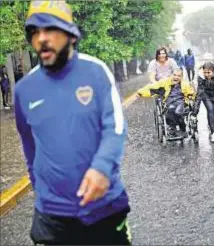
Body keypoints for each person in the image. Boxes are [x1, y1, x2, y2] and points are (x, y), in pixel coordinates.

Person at [14, 1, 131, 245]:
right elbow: (29, 146)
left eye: (50, 30)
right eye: (34, 32)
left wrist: (101, 167)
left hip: (105, 207)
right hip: (52, 217)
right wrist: (41, 190)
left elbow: (116, 126)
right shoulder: (24, 90)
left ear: (71, 35)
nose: (41, 39)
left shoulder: (96, 72)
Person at [137, 68, 195, 137]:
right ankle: (172, 129)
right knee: (170, 109)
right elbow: (152, 87)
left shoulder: (185, 84)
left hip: (180, 101)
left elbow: (191, 92)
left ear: (181, 77)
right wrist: (140, 93)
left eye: (179, 76)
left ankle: (183, 129)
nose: (176, 77)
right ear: (171, 75)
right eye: (174, 75)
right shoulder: (165, 82)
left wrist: (192, 97)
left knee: (178, 112)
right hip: (169, 101)